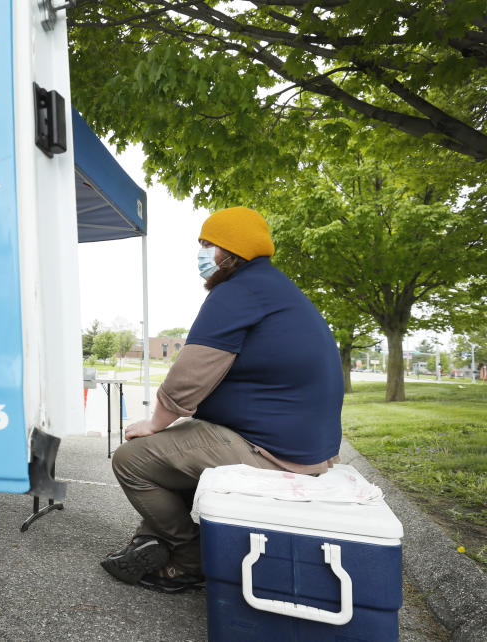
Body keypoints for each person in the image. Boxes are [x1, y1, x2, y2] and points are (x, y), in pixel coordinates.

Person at [101, 206, 343, 594]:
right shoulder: (275, 289)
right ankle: (154, 539)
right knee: (180, 444)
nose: (201, 253)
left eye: (207, 244)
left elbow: (189, 378)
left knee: (132, 459)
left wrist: (154, 422)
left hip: (273, 451)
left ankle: (187, 557)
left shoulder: (236, 292)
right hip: (305, 447)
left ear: (230, 251)